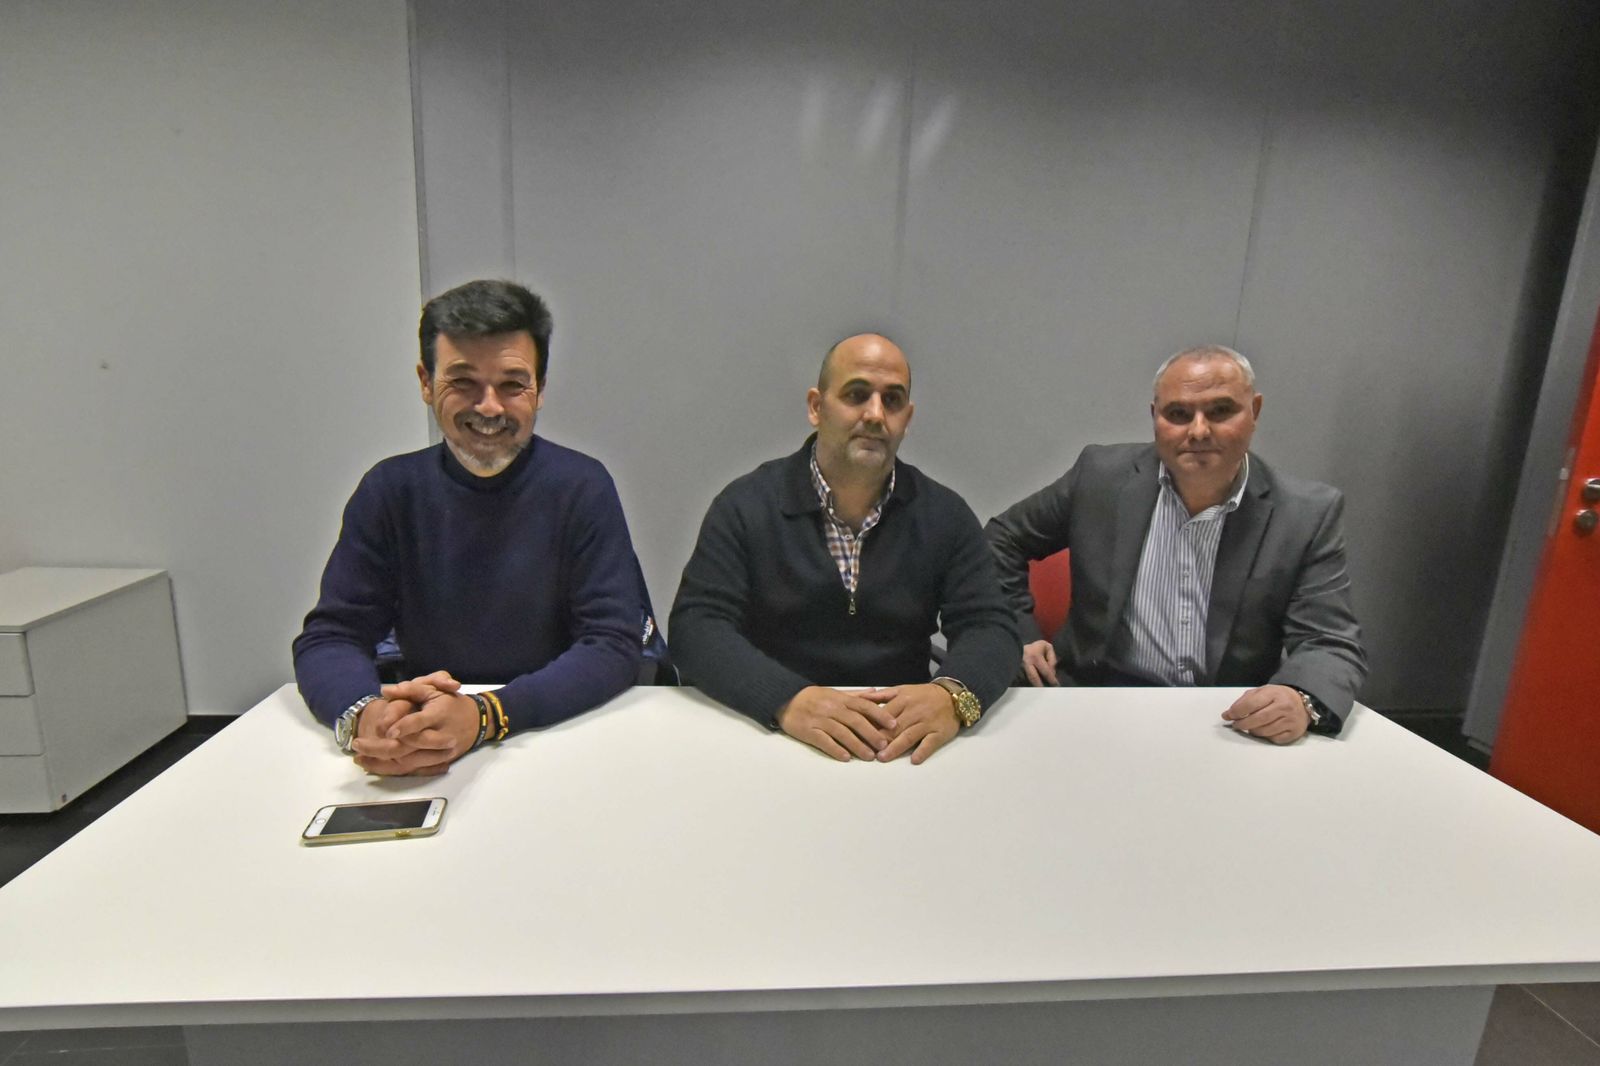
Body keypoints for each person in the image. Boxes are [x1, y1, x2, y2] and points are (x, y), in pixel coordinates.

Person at [292, 279, 647, 775]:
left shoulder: (582, 487)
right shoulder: (389, 490)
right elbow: (331, 637)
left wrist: (486, 716)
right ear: (425, 382)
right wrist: (366, 716)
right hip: (424, 730)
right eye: (462, 382)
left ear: (540, 389)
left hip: (556, 733)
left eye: (512, 384)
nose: (489, 407)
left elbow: (612, 644)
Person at [984, 345, 1366, 743]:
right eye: (1178, 414)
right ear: (1155, 417)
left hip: (1227, 719)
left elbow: (1329, 642)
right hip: (1094, 700)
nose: (1198, 431)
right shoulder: (1100, 478)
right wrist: (1019, 634)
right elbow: (1001, 540)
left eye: (1220, 411)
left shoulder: (1304, 514)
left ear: (1254, 411)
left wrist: (1300, 699)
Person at [669, 333, 1018, 764]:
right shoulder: (746, 506)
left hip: (898, 747)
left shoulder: (943, 514)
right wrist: (786, 699)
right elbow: (696, 627)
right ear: (816, 407)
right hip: (775, 740)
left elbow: (992, 627)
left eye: (892, 400)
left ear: (907, 418)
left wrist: (953, 696)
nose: (875, 414)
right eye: (856, 395)